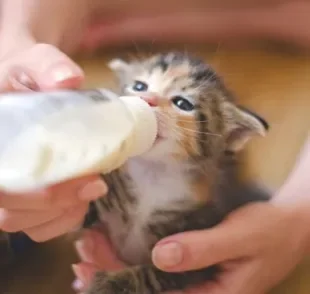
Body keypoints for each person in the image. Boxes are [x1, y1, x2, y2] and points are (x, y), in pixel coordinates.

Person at [0, 0, 309, 293]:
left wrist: (300, 211)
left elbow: (184, 268)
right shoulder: (109, 170)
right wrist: (17, 43)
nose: (147, 100)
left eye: (182, 102)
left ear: (228, 136)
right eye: (138, 86)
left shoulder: (201, 205)